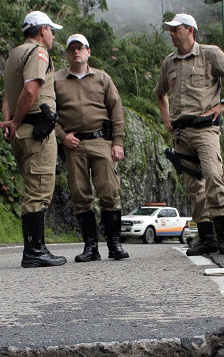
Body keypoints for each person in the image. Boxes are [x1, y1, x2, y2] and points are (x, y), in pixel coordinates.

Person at [155, 13, 224, 256]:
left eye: (176, 29)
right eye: (171, 30)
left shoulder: (210, 54)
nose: (172, 34)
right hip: (181, 132)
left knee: (213, 176)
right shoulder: (169, 63)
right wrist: (167, 119)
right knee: (193, 186)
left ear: (190, 30)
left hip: (206, 128)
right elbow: (160, 94)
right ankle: (207, 238)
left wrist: (223, 104)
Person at [0, 11, 66, 268]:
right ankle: (34, 250)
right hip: (36, 131)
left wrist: (10, 123)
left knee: (31, 187)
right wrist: (14, 122)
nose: (53, 36)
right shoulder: (38, 52)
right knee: (38, 191)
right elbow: (29, 89)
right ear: (42, 30)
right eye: (52, 31)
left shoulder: (14, 54)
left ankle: (36, 248)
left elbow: (7, 97)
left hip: (21, 132)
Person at [54, 34, 129, 262]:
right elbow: (48, 113)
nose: (77, 52)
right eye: (72, 49)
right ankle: (90, 247)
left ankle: (115, 244)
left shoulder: (103, 78)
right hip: (73, 143)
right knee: (80, 194)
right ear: (67, 54)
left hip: (101, 141)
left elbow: (116, 109)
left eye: (81, 48)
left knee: (109, 192)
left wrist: (117, 142)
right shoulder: (55, 80)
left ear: (88, 52)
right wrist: (62, 136)